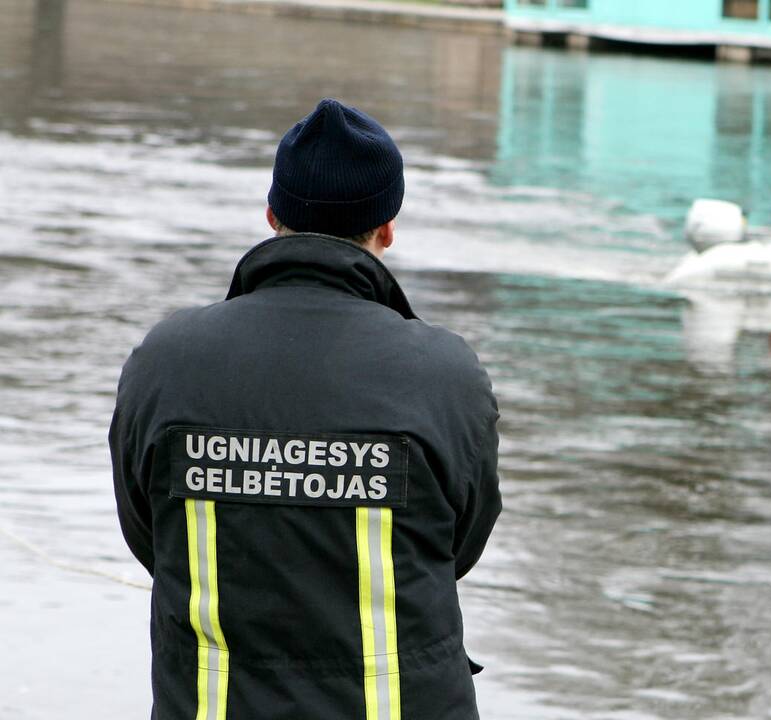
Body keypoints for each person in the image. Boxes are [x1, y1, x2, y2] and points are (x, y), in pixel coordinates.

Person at [109, 98, 501, 720]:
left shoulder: (165, 358)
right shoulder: (444, 372)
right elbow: (459, 546)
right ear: (387, 229)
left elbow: (149, 534)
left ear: (272, 216)